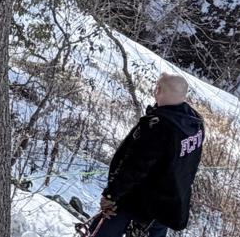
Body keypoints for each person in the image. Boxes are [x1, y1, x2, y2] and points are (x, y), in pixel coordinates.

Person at [87, 73, 205, 237]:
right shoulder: (194, 123)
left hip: (137, 198)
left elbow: (134, 166)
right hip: (169, 202)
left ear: (158, 89)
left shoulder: (158, 127)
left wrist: (111, 194)